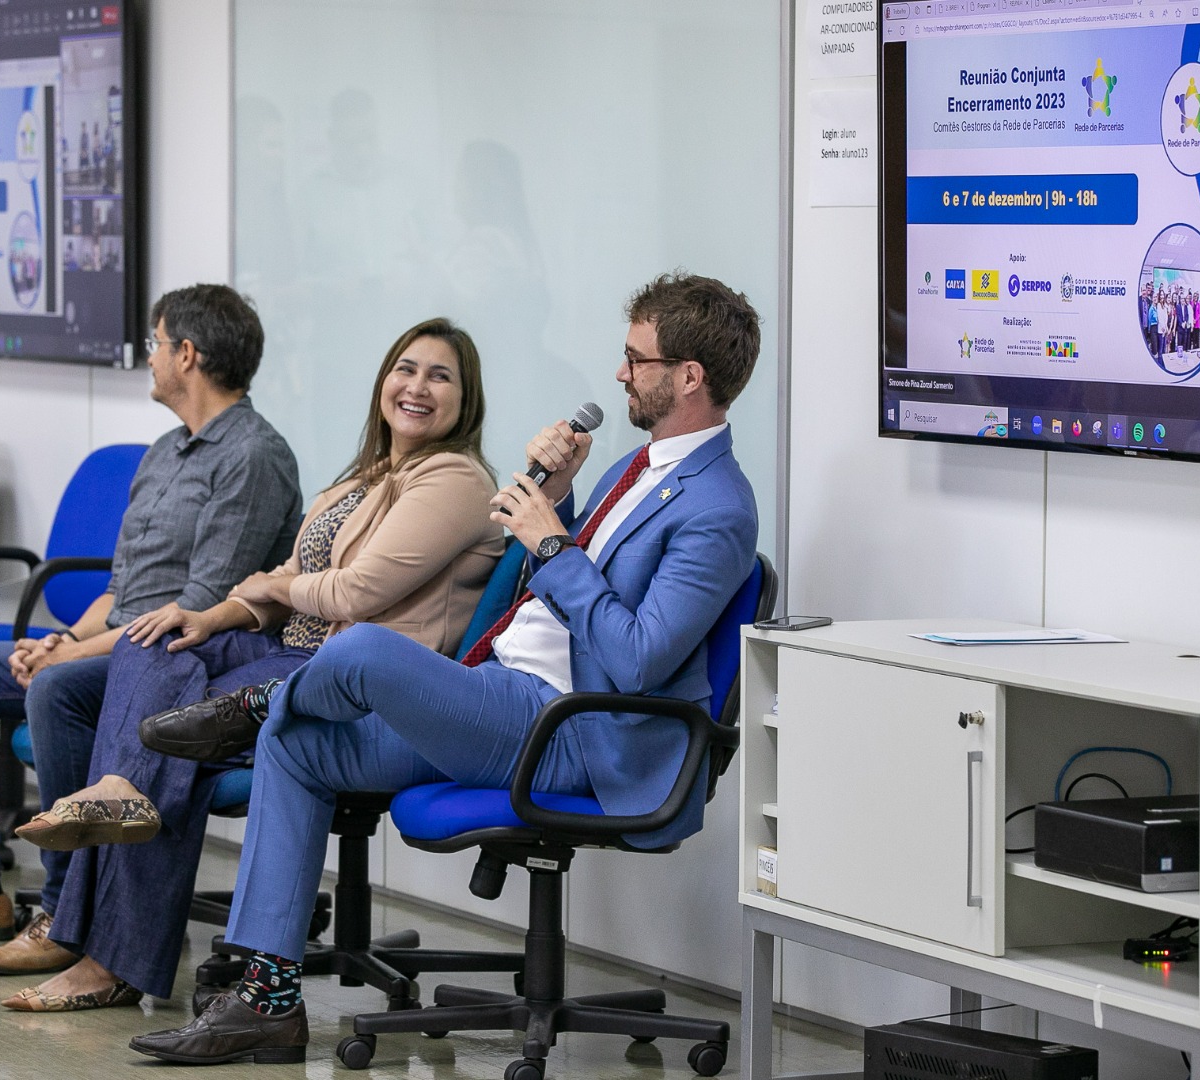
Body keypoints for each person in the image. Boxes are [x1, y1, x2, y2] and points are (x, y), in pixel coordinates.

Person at [126, 271, 761, 1065]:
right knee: (299, 743)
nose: (621, 374)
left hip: (568, 728)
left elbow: (636, 657)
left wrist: (550, 541)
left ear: (689, 377)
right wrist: (560, 498)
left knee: (355, 646)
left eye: (636, 359)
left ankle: (257, 703)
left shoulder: (719, 508)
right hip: (501, 693)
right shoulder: (637, 469)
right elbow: (573, 586)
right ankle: (268, 1001)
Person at [0, 317, 505, 1011]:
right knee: (151, 640)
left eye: (439, 376)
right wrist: (209, 616)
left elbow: (357, 593)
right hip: (282, 644)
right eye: (405, 369)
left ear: (464, 400)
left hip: (347, 676)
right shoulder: (365, 476)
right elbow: (292, 576)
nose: (417, 386)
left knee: (174, 742)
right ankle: (121, 790)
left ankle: (103, 956)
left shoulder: (454, 480)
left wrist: (265, 589)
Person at [0, 285, 304, 983]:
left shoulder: (252, 457)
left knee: (59, 689)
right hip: (116, 641)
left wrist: (67, 655)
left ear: (187, 355)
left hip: (181, 662)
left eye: (157, 344)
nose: (150, 359)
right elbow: (121, 590)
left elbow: (193, 610)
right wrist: (58, 636)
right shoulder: (164, 450)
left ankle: (62, 914)